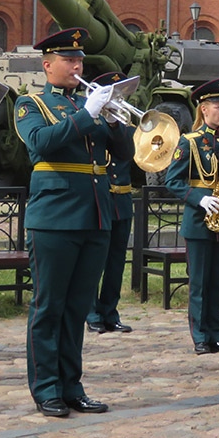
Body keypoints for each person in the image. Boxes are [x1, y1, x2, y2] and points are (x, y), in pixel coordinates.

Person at [15, 27, 129, 417]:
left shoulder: (88, 103)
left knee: (78, 307)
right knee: (49, 306)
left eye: (79, 59)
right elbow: (41, 143)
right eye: (69, 59)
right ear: (48, 65)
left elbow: (126, 153)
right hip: (55, 216)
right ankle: (46, 387)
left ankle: (71, 385)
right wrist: (88, 114)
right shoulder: (30, 103)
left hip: (95, 214)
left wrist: (114, 121)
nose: (77, 65)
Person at [164, 78, 219, 354]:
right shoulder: (189, 141)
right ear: (203, 109)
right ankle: (200, 336)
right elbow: (172, 181)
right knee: (199, 282)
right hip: (199, 221)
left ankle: (218, 334)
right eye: (218, 106)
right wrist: (199, 198)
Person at [86, 71, 136, 335]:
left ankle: (110, 312)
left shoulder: (123, 126)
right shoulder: (92, 124)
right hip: (100, 199)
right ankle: (91, 312)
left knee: (116, 262)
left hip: (122, 199)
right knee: (96, 260)